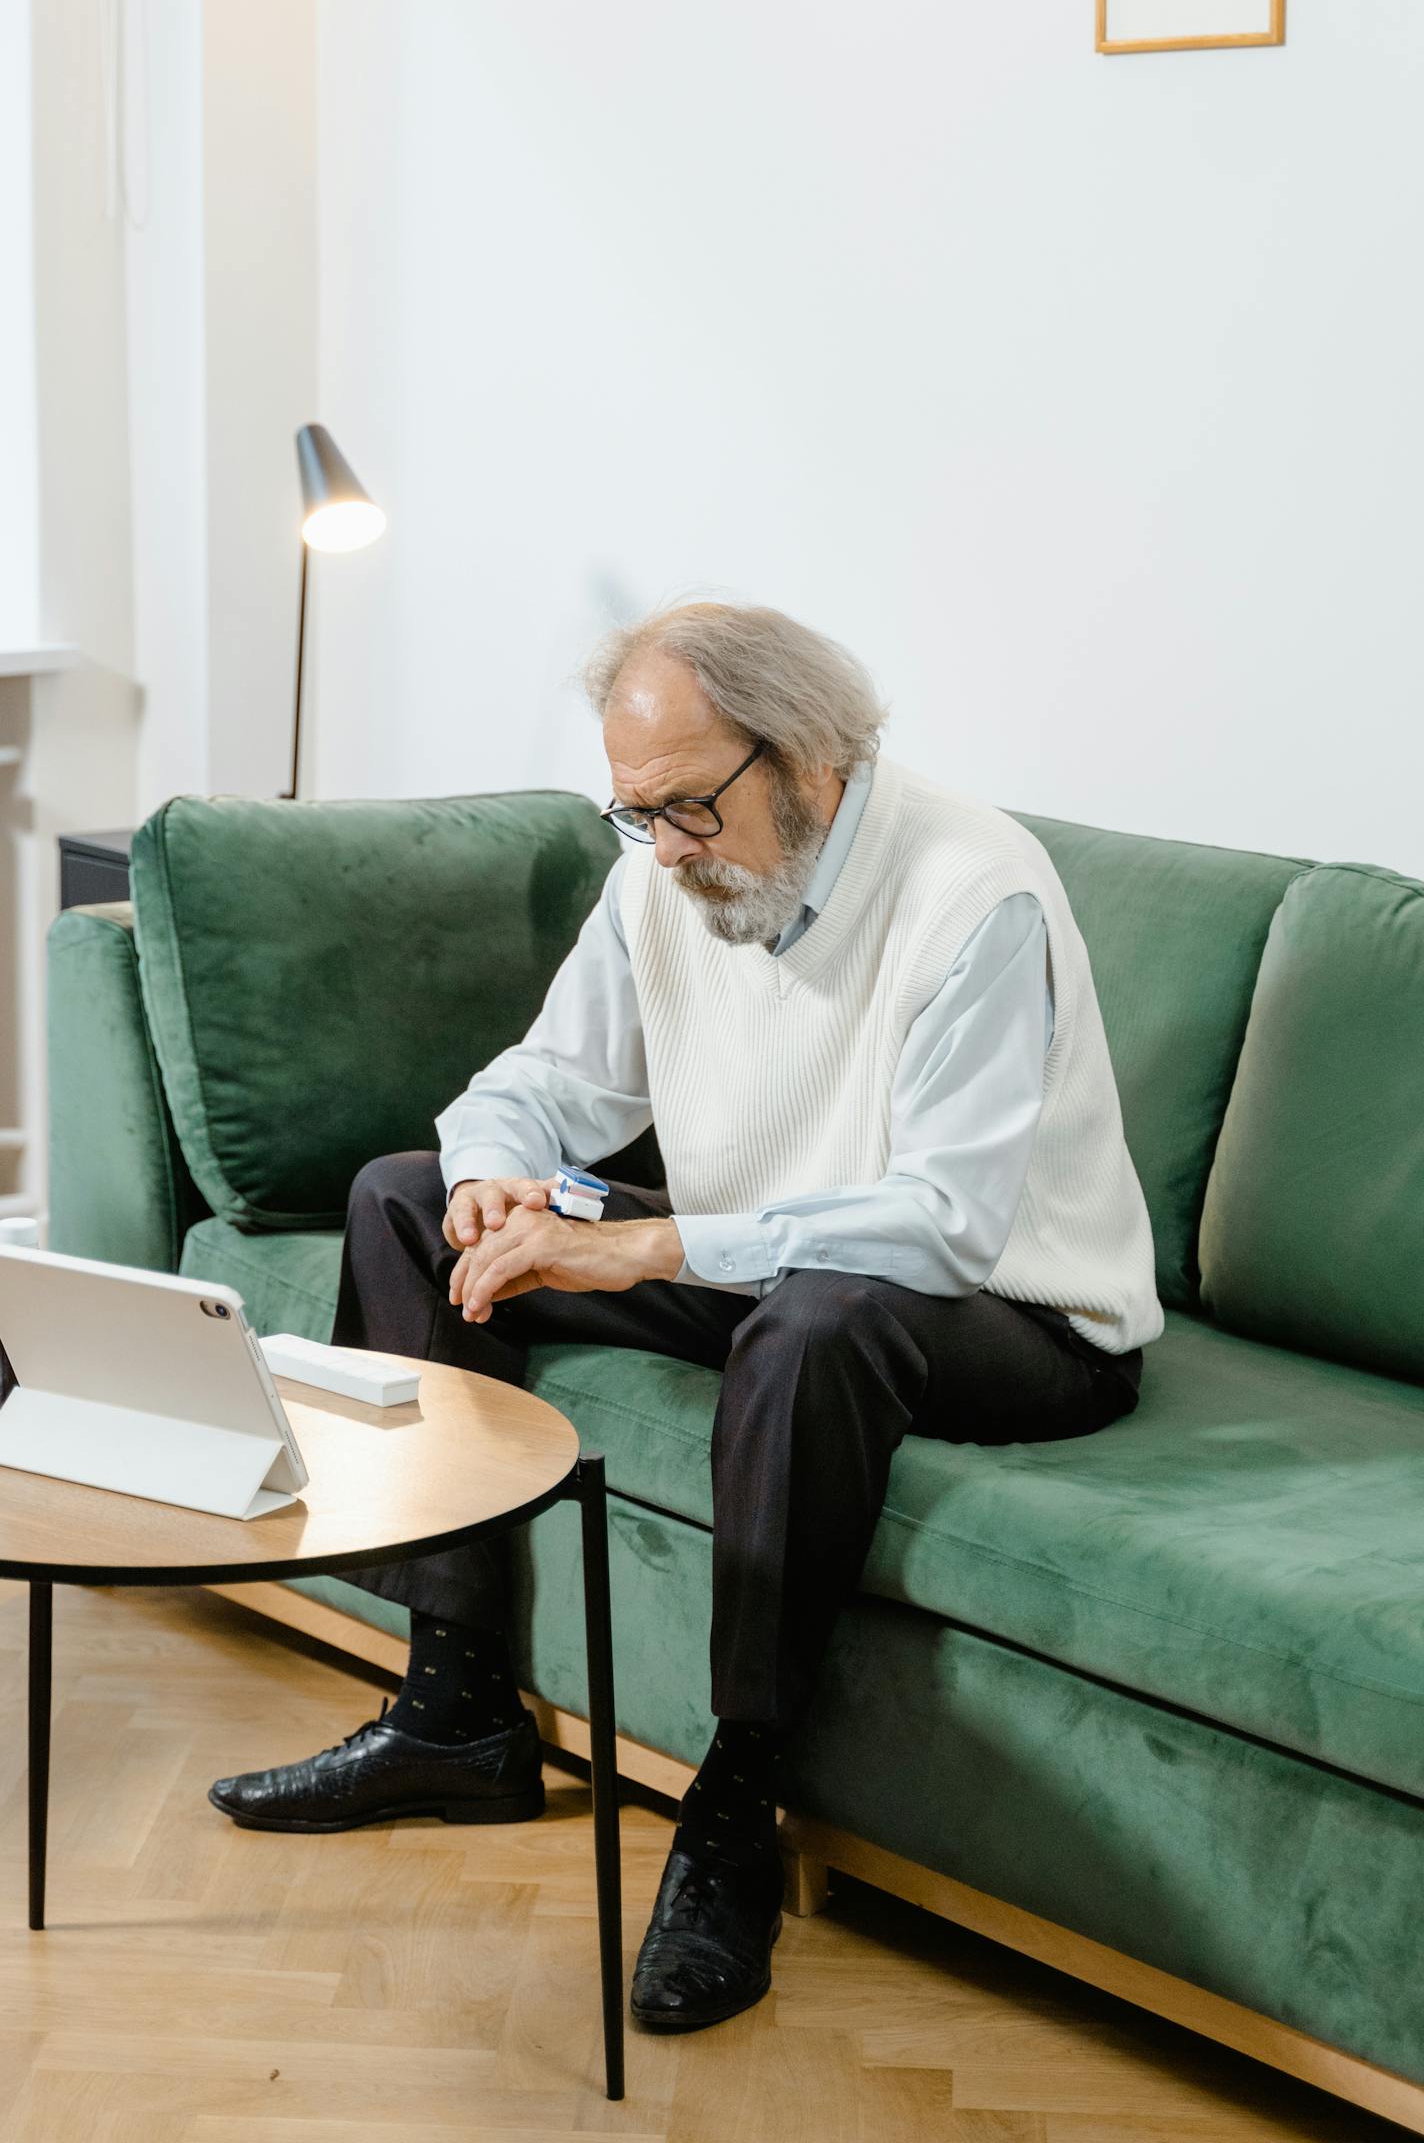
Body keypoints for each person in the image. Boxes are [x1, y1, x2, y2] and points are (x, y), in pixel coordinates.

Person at [208, 599, 1163, 2035]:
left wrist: (650, 1241)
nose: (660, 850)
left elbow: (944, 1223)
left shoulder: (978, 894)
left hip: (1015, 1316)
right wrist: (491, 1184)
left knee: (819, 1322)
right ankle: (454, 1712)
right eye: (634, 812)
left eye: (688, 810)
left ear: (812, 762)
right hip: (760, 1262)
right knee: (402, 1199)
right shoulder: (672, 865)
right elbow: (548, 1082)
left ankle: (737, 1803)